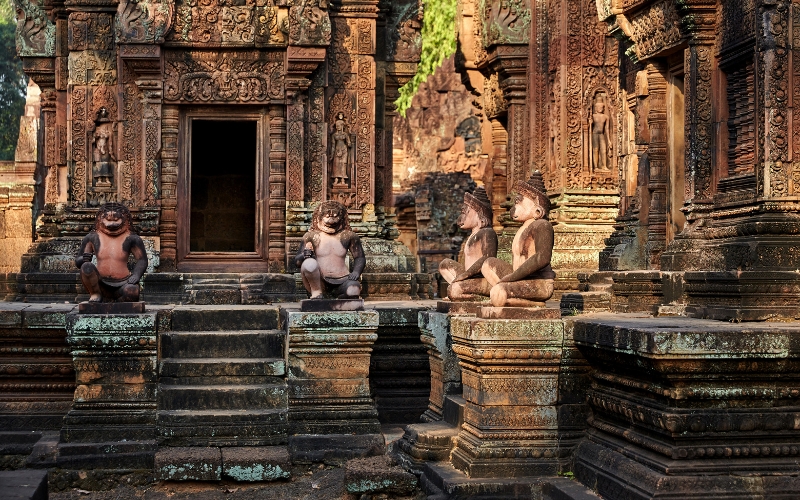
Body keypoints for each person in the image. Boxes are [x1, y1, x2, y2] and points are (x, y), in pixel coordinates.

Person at [481, 171, 555, 307]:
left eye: (520, 201)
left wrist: (511, 278)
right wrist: (512, 278)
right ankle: (507, 297)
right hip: (519, 278)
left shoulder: (542, 225)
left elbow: (543, 258)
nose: (516, 205)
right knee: (487, 264)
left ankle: (534, 304)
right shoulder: (524, 228)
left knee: (498, 293)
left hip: (539, 283)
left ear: (537, 210)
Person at [76, 203, 148, 302]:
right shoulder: (92, 237)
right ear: (99, 219)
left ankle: (115, 301)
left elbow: (142, 260)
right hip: (98, 283)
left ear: (125, 219)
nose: (112, 224)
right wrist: (83, 259)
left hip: (124, 282)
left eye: (116, 220)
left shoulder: (132, 238)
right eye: (108, 220)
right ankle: (96, 294)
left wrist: (136, 275)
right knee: (86, 267)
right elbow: (78, 261)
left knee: (132, 291)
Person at [295, 200, 365, 298]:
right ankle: (317, 293)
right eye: (327, 216)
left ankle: (338, 298)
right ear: (319, 217)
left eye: (335, 216)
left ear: (342, 217)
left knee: (354, 290)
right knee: (309, 264)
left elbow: (360, 257)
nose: (331, 219)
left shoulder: (348, 236)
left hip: (343, 279)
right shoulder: (311, 236)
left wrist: (356, 272)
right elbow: (297, 262)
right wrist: (305, 255)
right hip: (319, 280)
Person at [439, 186, 497, 301]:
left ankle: (472, 296)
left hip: (482, 279)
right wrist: (464, 275)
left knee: (454, 290)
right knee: (444, 264)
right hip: (469, 276)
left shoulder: (487, 232)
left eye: (466, 212)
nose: (462, 218)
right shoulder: (472, 236)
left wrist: (465, 275)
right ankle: (461, 290)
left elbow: (487, 258)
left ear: (479, 215)